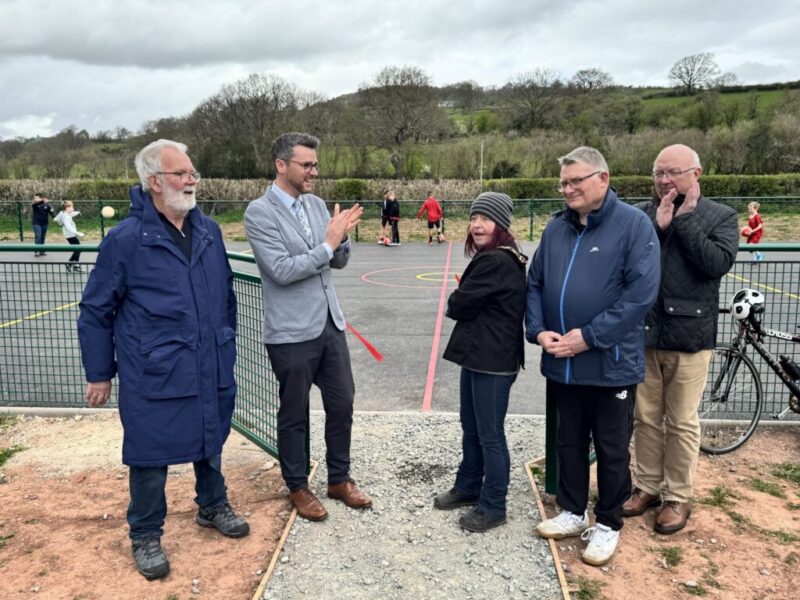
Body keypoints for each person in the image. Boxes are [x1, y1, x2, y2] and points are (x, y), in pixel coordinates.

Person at [78, 139, 248, 581]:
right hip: (154, 370)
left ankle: (212, 505)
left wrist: (225, 340)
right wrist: (99, 374)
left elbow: (226, 295)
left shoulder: (208, 230)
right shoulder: (125, 240)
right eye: (181, 174)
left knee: (210, 437)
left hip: (210, 359)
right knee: (150, 453)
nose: (192, 181)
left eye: (193, 173)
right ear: (154, 182)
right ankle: (146, 533)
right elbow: (96, 311)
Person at [526, 146, 660, 566]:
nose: (567, 190)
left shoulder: (634, 225)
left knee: (611, 447)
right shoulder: (555, 229)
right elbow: (535, 284)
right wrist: (538, 330)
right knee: (568, 440)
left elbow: (639, 296)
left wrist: (589, 337)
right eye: (563, 183)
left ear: (603, 178)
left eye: (575, 181)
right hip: (563, 363)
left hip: (610, 364)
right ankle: (571, 510)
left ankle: (608, 523)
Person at [244, 132, 371, 523]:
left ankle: (339, 479)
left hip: (330, 324)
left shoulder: (316, 205)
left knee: (342, 403)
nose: (314, 171)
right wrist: (328, 244)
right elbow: (281, 271)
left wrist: (341, 240)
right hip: (290, 333)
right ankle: (298, 486)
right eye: (307, 165)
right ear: (282, 165)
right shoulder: (259, 213)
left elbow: (337, 262)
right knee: (294, 413)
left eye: (316, 164)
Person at [624, 144, 738, 534]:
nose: (664, 180)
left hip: (690, 337)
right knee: (645, 418)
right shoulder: (641, 214)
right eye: (658, 172)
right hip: (645, 334)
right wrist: (657, 228)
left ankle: (677, 496)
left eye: (673, 172)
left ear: (696, 174)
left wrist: (684, 221)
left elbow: (715, 264)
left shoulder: (720, 216)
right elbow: (628, 264)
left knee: (682, 421)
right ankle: (647, 486)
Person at [434, 192, 527, 532]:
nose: (476, 225)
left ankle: (494, 504)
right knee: (471, 426)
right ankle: (468, 486)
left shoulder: (497, 261)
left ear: (500, 224)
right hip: (479, 355)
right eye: (474, 218)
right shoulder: (497, 257)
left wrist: (457, 297)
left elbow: (459, 304)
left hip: (493, 359)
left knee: (490, 434)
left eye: (485, 219)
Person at [54, 200, 85, 271]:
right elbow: (69, 227)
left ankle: (71, 264)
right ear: (67, 208)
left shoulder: (64, 214)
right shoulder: (65, 216)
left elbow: (56, 219)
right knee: (78, 249)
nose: (73, 208)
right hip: (70, 235)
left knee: (78, 249)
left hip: (70, 235)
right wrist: (78, 233)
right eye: (72, 207)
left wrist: (78, 212)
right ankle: (73, 265)